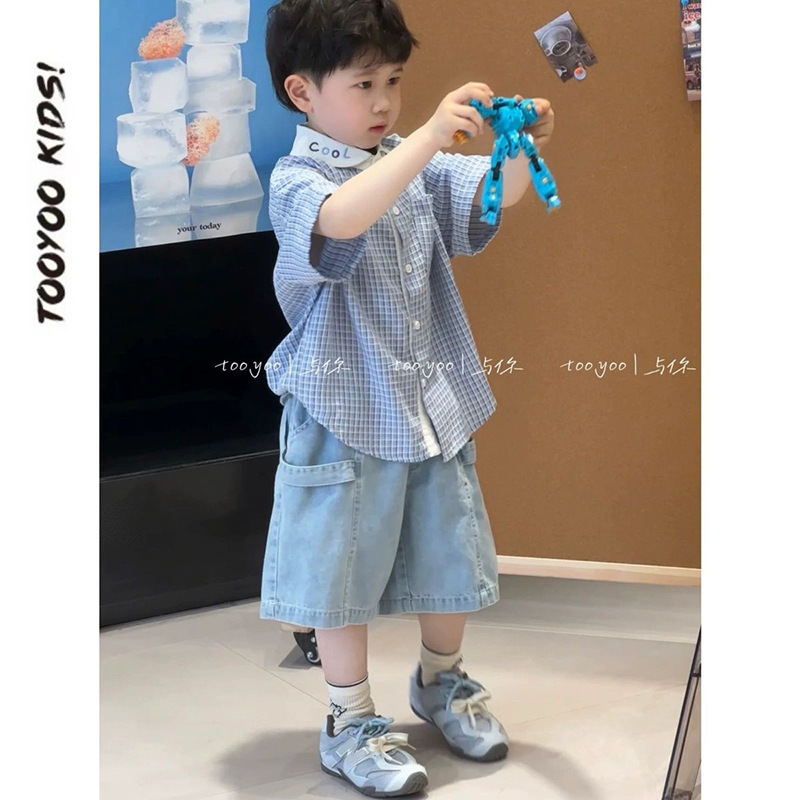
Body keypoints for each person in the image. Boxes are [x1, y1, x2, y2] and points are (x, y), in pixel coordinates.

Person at [260, 1, 555, 795]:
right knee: (338, 574)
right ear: (301, 92)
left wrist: (521, 145)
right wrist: (428, 136)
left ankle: (441, 680)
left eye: (393, 80)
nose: (385, 101)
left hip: (429, 402)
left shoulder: (406, 160)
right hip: (342, 411)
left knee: (446, 549)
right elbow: (340, 221)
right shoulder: (297, 179)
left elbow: (494, 197)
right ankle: (349, 718)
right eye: (364, 84)